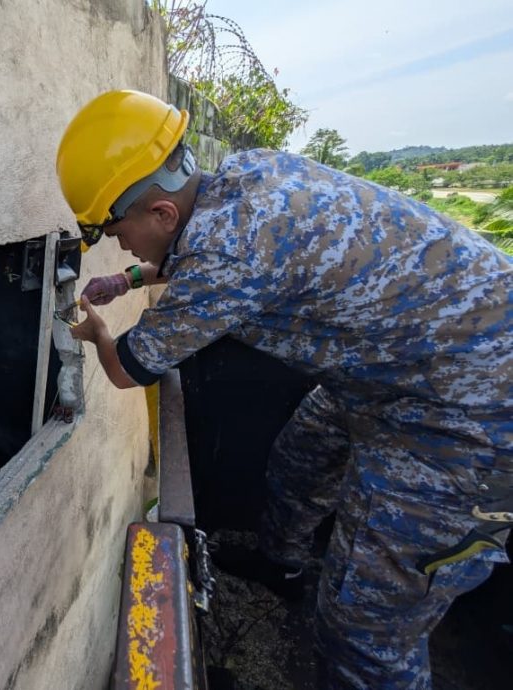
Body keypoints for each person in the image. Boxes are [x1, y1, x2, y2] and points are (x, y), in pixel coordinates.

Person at [56, 89, 513, 689]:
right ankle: (283, 570)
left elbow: (128, 369)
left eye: (119, 233)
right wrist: (128, 277)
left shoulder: (226, 253)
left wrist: (94, 332)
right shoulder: (249, 175)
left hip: (469, 413)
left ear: (161, 213)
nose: (122, 245)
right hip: (392, 372)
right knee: (301, 460)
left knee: (365, 632)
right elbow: (215, 251)